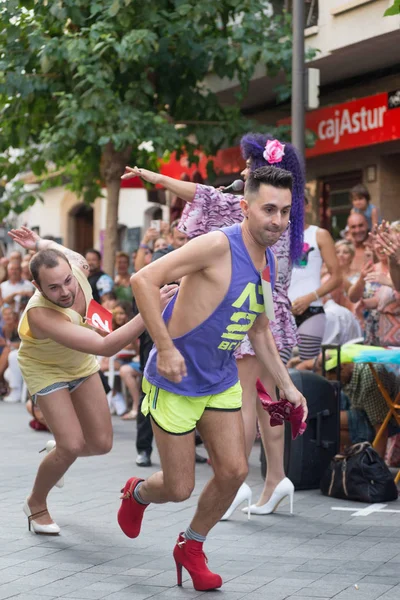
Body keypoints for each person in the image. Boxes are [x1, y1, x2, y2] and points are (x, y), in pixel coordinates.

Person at [117, 166, 307, 592]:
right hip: (175, 380)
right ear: (245, 206)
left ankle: (192, 545)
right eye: (268, 209)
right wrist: (164, 348)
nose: (277, 220)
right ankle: (138, 494)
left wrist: (288, 386)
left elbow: (258, 328)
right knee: (178, 486)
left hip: (219, 379)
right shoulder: (217, 245)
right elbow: (143, 279)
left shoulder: (268, 259)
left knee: (234, 471)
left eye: (285, 212)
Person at [8, 226, 176, 536]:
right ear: (37, 286)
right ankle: (36, 503)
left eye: (67, 281)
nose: (66, 291)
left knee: (101, 444)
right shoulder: (39, 315)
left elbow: (65, 260)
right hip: (46, 369)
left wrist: (39, 243)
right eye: (54, 287)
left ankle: (56, 454)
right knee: (71, 444)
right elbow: (105, 346)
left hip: (79, 364)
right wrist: (151, 309)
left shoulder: (77, 267)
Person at [289, 198, 341, 361]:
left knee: (308, 367)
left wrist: (310, 298)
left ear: (307, 205)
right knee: (276, 370)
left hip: (311, 310)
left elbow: (337, 277)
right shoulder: (276, 236)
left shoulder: (319, 235)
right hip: (282, 312)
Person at [346, 213, 369, 277]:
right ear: (349, 229)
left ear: (367, 225)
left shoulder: (377, 247)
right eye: (353, 227)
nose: (357, 230)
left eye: (361, 225)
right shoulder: (343, 251)